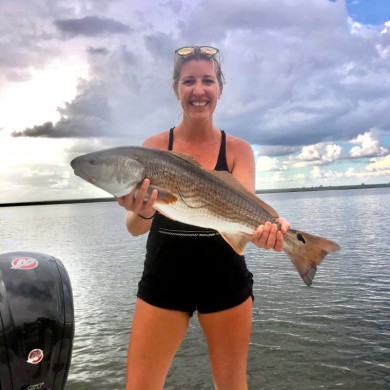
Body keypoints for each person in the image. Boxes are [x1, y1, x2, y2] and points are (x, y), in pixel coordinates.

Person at [117, 45, 290, 390]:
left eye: (208, 80)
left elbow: (244, 214)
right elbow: (134, 228)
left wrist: (270, 230)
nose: (198, 90)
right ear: (176, 89)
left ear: (220, 89)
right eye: (189, 81)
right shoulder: (153, 147)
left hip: (224, 278)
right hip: (164, 278)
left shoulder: (238, 150)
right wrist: (143, 210)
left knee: (231, 385)